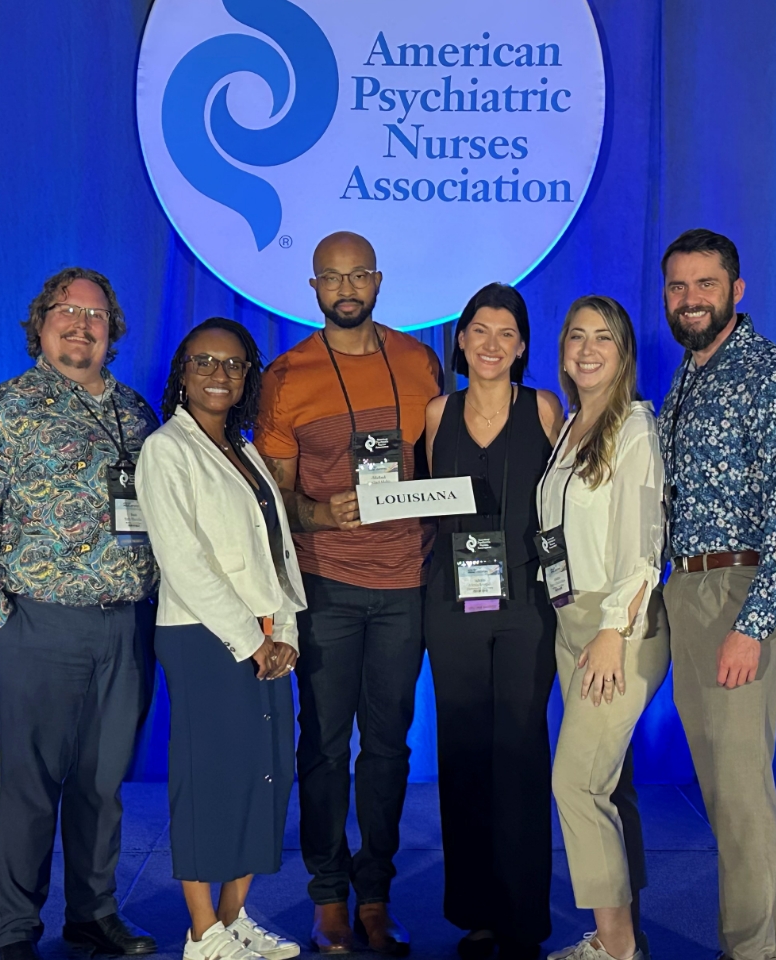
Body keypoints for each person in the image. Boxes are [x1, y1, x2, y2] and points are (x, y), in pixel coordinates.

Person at [0, 267, 160, 960]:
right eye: (66, 310)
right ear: (40, 324)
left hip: (125, 626)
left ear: (112, 331)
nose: (81, 323)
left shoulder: (136, 411)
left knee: (103, 786)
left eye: (96, 315)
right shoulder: (1, 411)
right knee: (30, 789)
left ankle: (93, 914)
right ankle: (15, 929)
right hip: (38, 627)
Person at [255, 231, 442, 956]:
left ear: (378, 280)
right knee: (326, 748)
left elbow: (441, 459)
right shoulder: (288, 375)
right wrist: (318, 512)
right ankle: (328, 896)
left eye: (358, 274)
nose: (345, 287)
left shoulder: (419, 361)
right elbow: (274, 496)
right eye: (331, 277)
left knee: (389, 747)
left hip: (407, 581)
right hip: (326, 584)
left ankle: (376, 893)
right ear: (312, 288)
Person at [656, 229, 776, 960]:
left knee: (740, 792)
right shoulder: (689, 374)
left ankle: (754, 952)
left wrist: (749, 625)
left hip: (739, 591)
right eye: (678, 287)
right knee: (731, 790)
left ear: (736, 290)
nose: (690, 300)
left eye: (705, 285)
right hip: (687, 590)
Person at [138, 318, 306, 960]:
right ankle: (202, 932)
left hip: (266, 635)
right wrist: (251, 638)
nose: (218, 373)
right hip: (203, 637)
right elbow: (184, 562)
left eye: (232, 364)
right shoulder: (166, 450)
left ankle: (234, 919)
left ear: (246, 378)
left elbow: (276, 548)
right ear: (182, 371)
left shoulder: (246, 450)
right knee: (209, 778)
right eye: (204, 361)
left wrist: (285, 626)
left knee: (265, 775)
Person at [422, 283, 563, 960]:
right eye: (479, 329)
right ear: (461, 339)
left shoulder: (543, 409)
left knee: (520, 753)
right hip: (451, 607)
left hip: (528, 610)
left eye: (506, 333)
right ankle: (477, 912)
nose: (490, 344)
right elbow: (422, 507)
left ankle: (523, 916)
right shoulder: (434, 412)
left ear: (524, 347)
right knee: (464, 757)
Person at [541, 296, 668, 960]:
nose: (587, 349)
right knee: (607, 785)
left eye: (603, 339)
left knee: (577, 784)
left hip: (616, 626)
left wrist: (616, 628)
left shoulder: (635, 429)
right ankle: (621, 933)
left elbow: (644, 546)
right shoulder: (571, 427)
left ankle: (616, 949)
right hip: (572, 621)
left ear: (624, 353)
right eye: (576, 337)